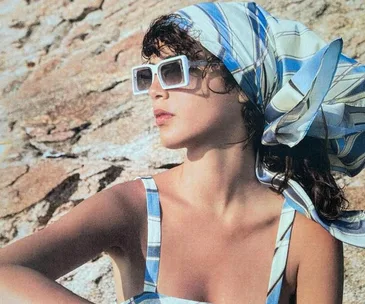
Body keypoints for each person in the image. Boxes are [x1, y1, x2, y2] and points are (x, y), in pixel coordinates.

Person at [1, 2, 365, 303]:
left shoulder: (306, 235)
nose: (156, 90)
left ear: (243, 83)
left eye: (174, 71)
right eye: (148, 76)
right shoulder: (133, 209)